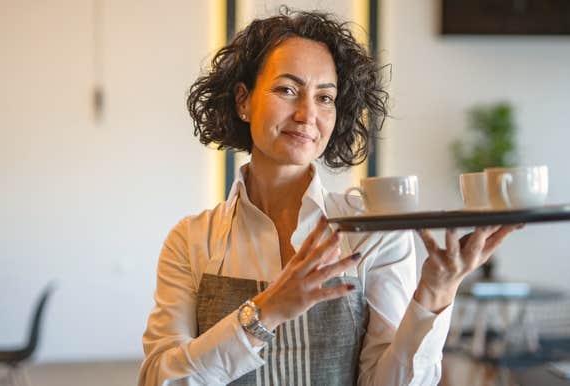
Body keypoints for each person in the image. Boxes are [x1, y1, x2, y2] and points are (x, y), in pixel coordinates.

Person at [139, 8, 519, 386]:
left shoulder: (373, 232)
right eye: (287, 90)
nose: (307, 114)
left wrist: (436, 291)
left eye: (325, 97)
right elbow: (160, 379)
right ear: (243, 101)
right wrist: (266, 311)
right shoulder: (190, 242)